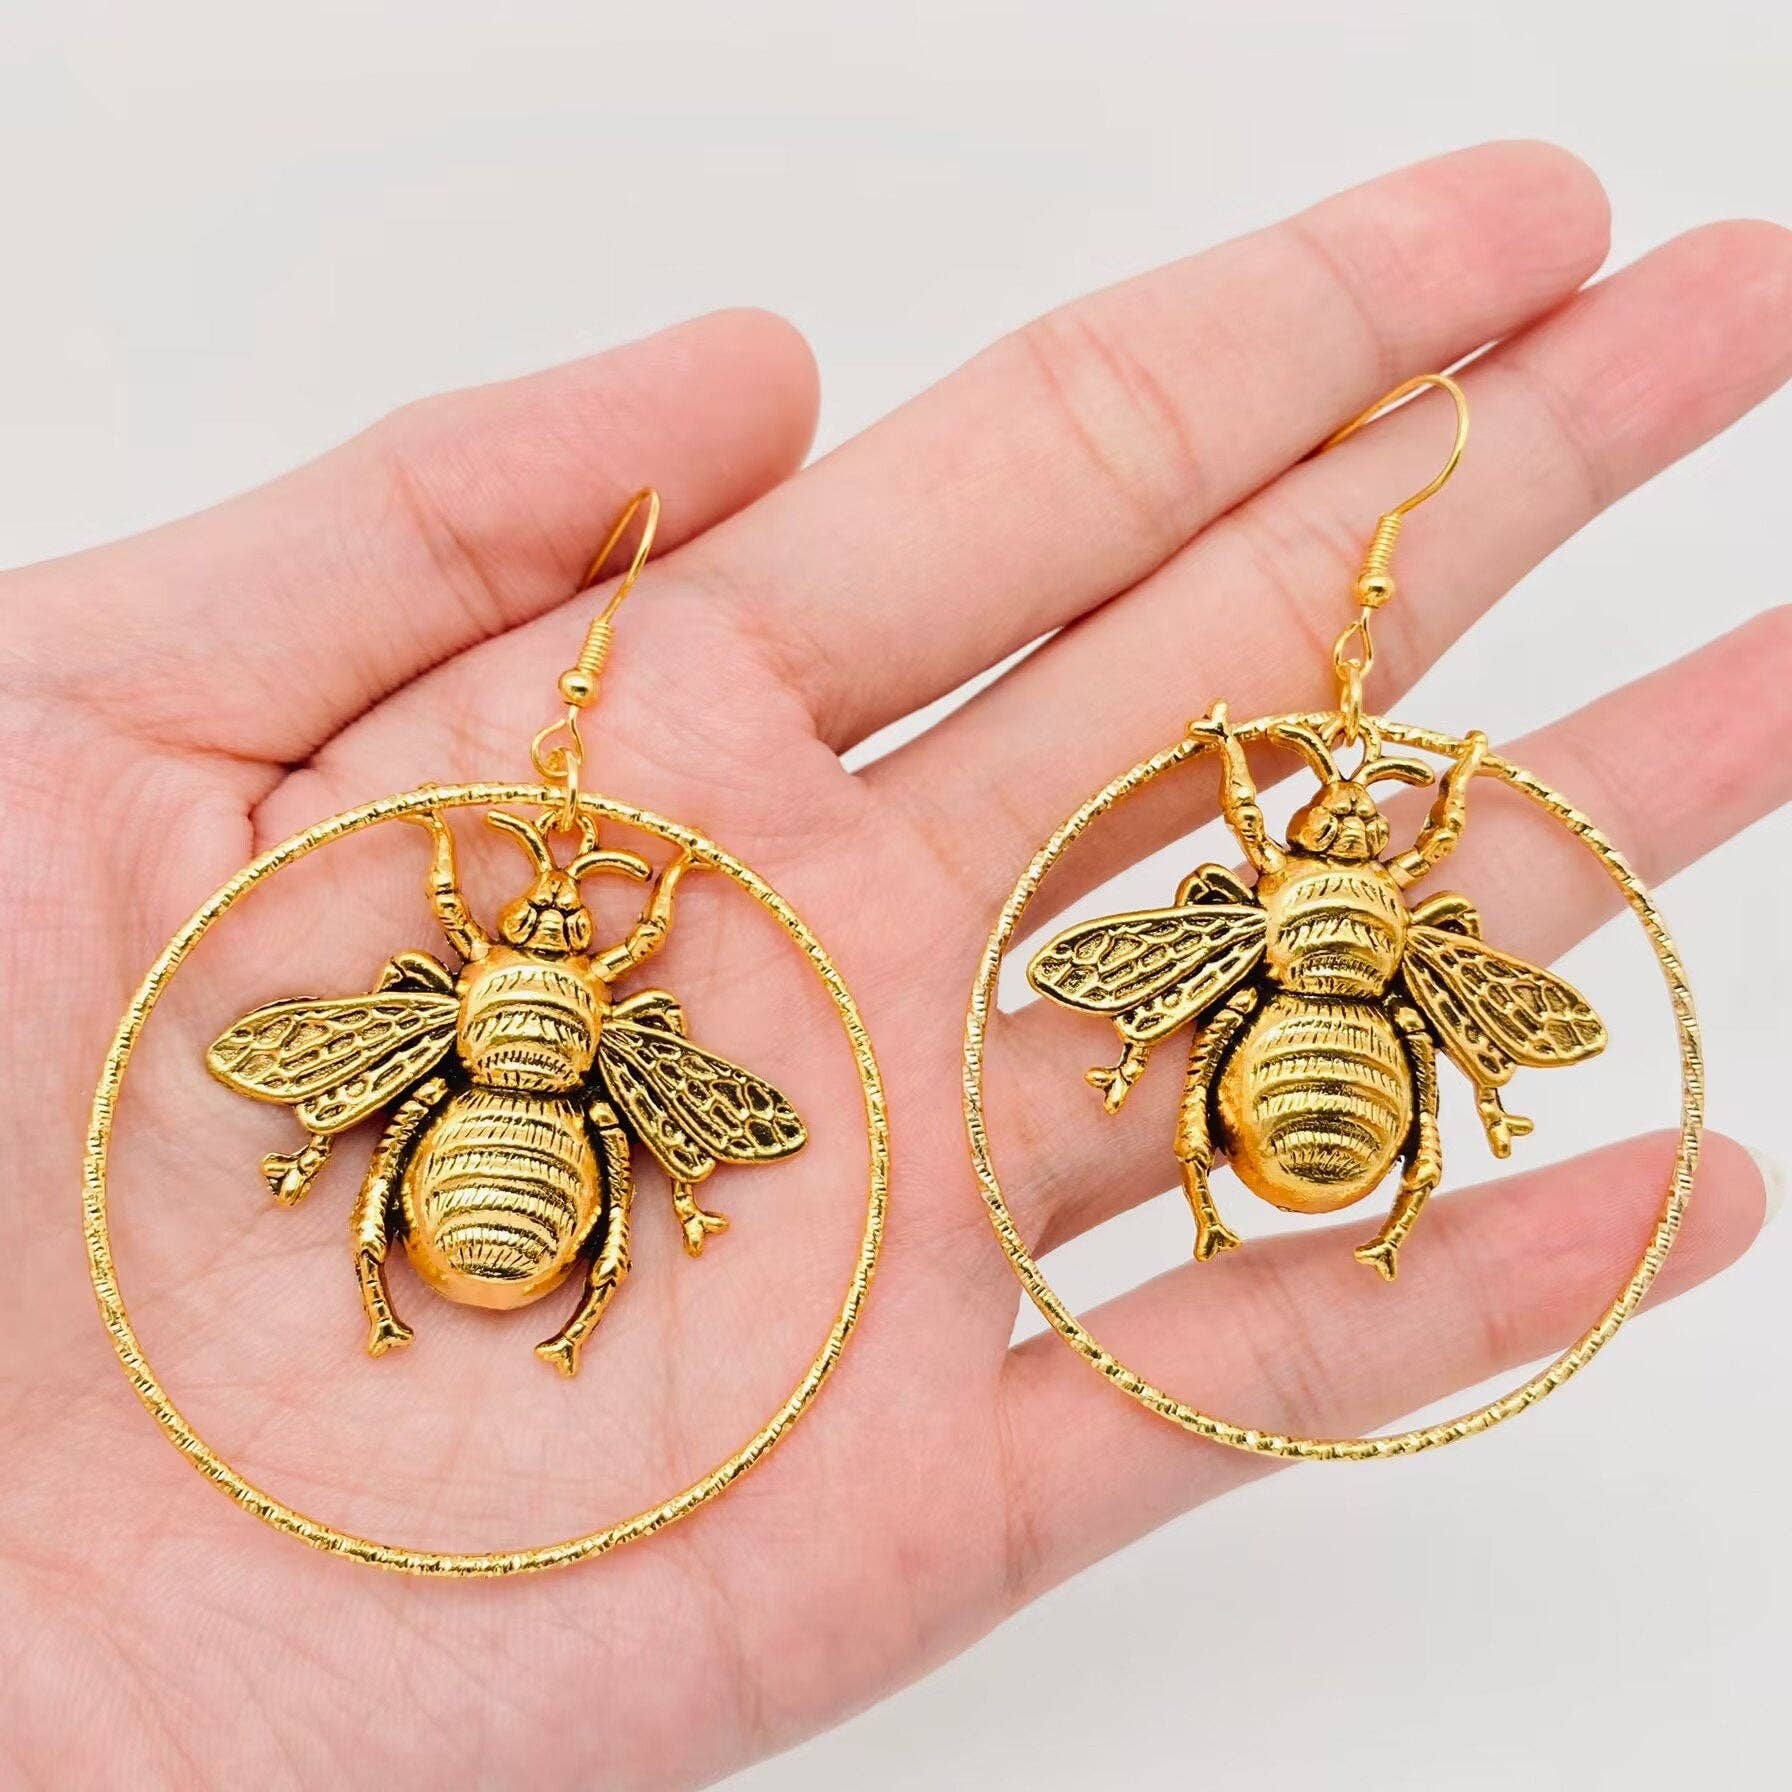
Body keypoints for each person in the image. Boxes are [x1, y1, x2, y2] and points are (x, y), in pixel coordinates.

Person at [3, 143, 1787, 1788]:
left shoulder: (487, 998)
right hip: (658, 1139)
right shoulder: (625, 1010)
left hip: (513, 1139)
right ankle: (590, 1269)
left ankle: (462, 1262)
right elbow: (718, 1074)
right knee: (608, 1143)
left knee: (433, 1134)